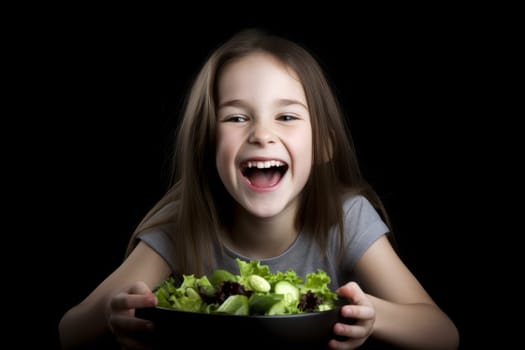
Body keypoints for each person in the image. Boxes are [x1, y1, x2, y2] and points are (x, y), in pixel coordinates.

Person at [58, 28, 459, 349]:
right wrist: (111, 315)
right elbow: (69, 330)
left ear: (323, 144)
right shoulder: (183, 224)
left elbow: (442, 332)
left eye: (286, 116)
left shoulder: (345, 218)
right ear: (206, 144)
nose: (262, 135)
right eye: (236, 117)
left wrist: (370, 314)